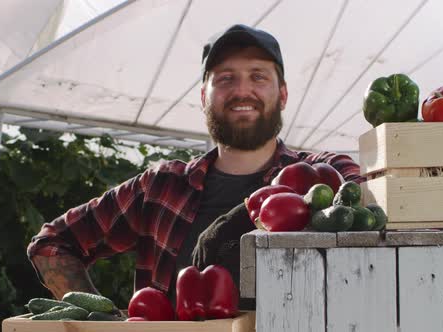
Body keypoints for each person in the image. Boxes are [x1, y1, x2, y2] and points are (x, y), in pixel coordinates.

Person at [27, 24, 364, 309]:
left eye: (258, 77)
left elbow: (367, 198)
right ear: (204, 96)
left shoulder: (321, 173)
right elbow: (53, 242)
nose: (242, 90)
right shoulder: (160, 187)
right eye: (226, 79)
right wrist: (103, 318)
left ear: (284, 95)